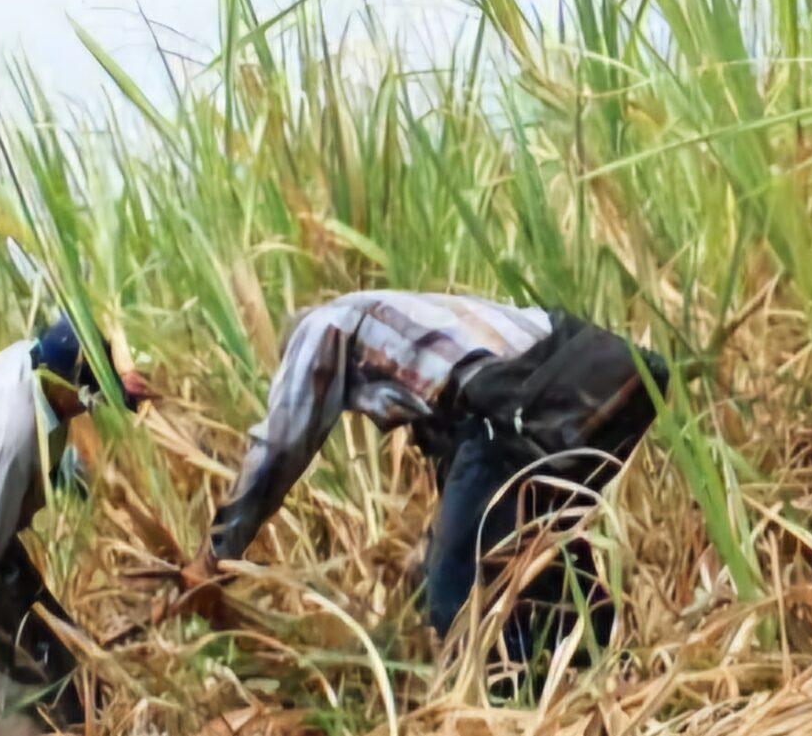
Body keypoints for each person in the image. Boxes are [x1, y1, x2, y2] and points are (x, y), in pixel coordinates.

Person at [172, 290, 666, 679]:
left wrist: (212, 558)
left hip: (533, 399)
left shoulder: (319, 328)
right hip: (614, 380)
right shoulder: (419, 327)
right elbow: (465, 472)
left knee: (460, 593)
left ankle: (506, 707)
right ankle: (610, 679)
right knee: (537, 554)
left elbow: (280, 446)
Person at [0, 314, 151, 735]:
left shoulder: (38, 365)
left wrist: (118, 392)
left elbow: (48, 437)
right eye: (88, 395)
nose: (89, 406)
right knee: (7, 692)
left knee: (61, 663)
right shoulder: (11, 431)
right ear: (62, 386)